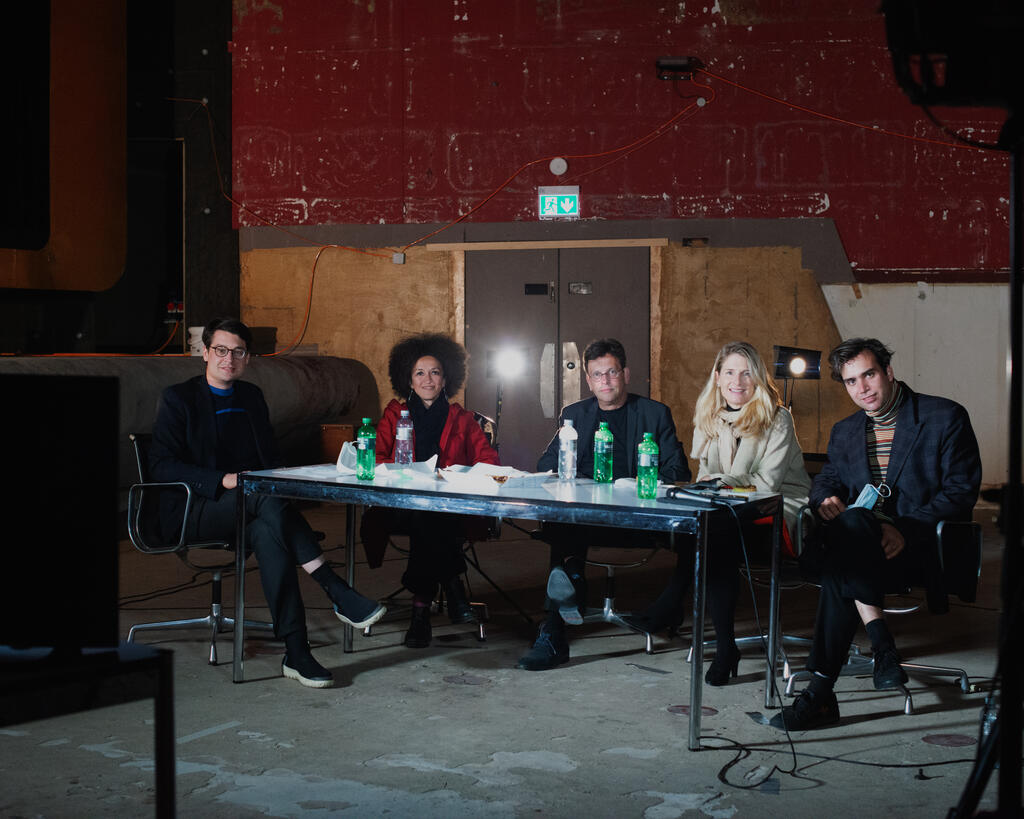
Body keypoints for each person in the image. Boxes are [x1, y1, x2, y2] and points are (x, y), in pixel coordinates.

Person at [149, 317, 386, 689]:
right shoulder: (179, 398)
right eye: (221, 351)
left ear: (247, 359)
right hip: (193, 510)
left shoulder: (252, 398)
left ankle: (297, 652)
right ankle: (335, 589)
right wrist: (222, 480)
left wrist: (296, 477)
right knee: (261, 501)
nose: (229, 359)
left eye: (238, 352)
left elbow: (268, 459)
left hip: (248, 507)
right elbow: (160, 464)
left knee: (268, 529)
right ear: (206, 354)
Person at [772, 338, 981, 730]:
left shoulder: (944, 416)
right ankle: (880, 642)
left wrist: (904, 528)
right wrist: (824, 499)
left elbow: (961, 491)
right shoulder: (845, 431)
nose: (862, 389)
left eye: (868, 375)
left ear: (888, 372)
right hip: (861, 544)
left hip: (914, 549)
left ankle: (820, 692)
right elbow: (826, 480)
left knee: (842, 556)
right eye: (851, 382)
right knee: (851, 523)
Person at [628, 341, 810, 685]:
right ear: (717, 377)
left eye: (746, 373)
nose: (737, 381)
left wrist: (721, 483)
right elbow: (705, 480)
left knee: (713, 534)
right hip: (729, 516)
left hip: (778, 514)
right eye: (729, 372)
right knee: (707, 530)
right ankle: (726, 648)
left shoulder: (777, 418)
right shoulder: (711, 418)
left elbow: (767, 484)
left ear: (758, 379)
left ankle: (671, 606)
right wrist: (715, 486)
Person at [517, 337, 691, 671]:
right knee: (561, 521)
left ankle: (575, 587)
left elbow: (678, 472)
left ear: (625, 374)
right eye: (597, 375)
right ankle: (555, 628)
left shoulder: (655, 414)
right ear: (588, 380)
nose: (605, 381)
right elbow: (545, 466)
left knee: (694, 531)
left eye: (611, 372)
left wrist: (636, 481)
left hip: (639, 521)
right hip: (587, 520)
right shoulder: (574, 415)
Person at [360, 333, 500, 649]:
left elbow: (489, 461)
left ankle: (420, 613)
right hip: (400, 506)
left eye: (435, 372)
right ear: (408, 380)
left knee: (432, 516)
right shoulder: (395, 416)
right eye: (419, 373)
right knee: (428, 515)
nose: (427, 379)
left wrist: (457, 476)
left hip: (451, 509)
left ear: (445, 378)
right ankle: (453, 587)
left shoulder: (463, 419)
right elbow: (377, 458)